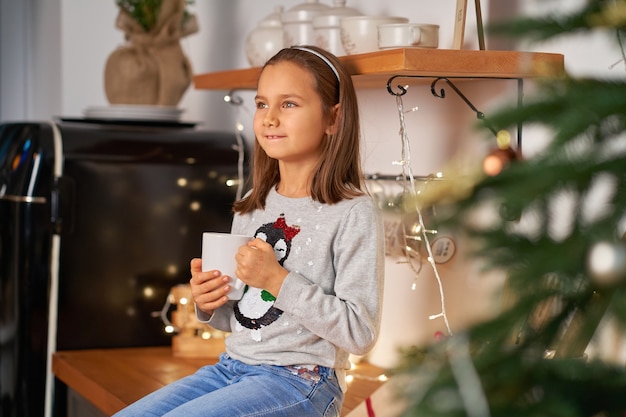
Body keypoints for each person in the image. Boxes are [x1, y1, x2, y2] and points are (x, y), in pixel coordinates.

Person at [113, 45, 385, 417]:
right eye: (261, 104)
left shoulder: (352, 212)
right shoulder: (254, 203)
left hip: (302, 382)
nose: (270, 118)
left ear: (333, 118)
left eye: (288, 104)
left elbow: (360, 333)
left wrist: (278, 280)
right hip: (232, 369)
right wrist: (209, 303)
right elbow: (242, 318)